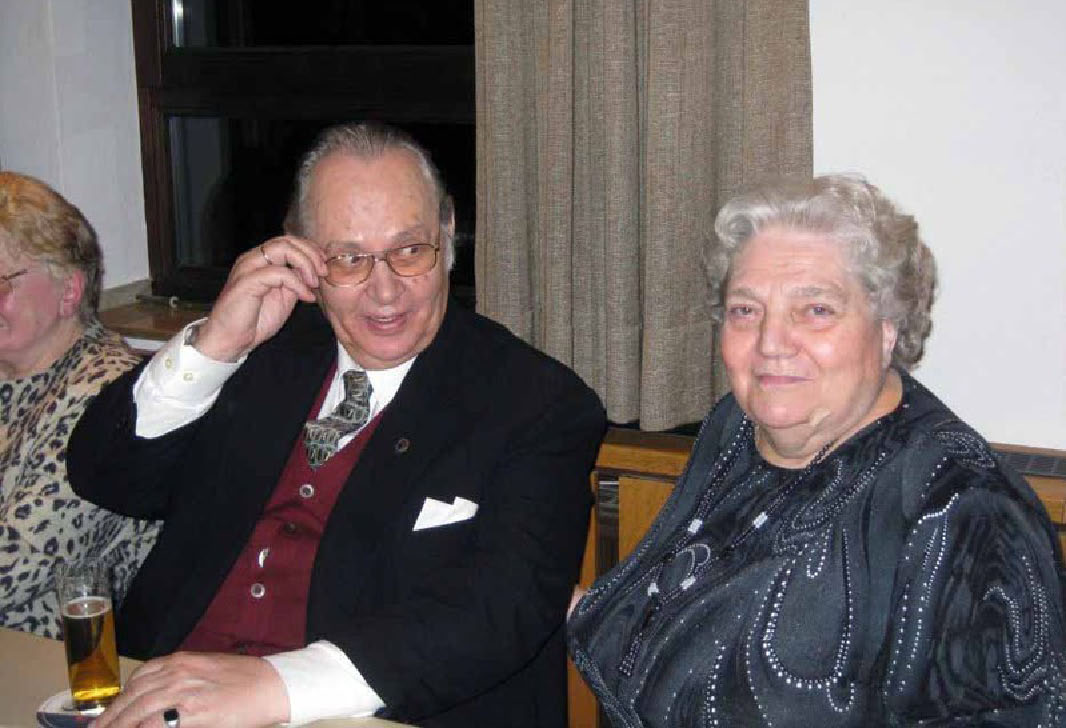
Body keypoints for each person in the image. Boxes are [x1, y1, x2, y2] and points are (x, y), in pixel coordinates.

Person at [68, 122, 606, 728]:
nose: (386, 291)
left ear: (448, 233)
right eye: (349, 258)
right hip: (157, 700)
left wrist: (274, 686)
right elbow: (105, 476)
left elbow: (502, 608)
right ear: (301, 255)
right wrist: (215, 345)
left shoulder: (536, 402)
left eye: (410, 250)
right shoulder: (260, 350)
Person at [568, 174, 1066, 726]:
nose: (771, 343)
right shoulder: (738, 427)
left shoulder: (962, 510)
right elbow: (682, 605)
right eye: (746, 310)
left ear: (888, 328)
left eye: (816, 310)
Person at [0, 171, 159, 638]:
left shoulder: (109, 395)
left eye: (1, 282)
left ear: (69, 291)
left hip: (56, 659)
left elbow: (15, 566)